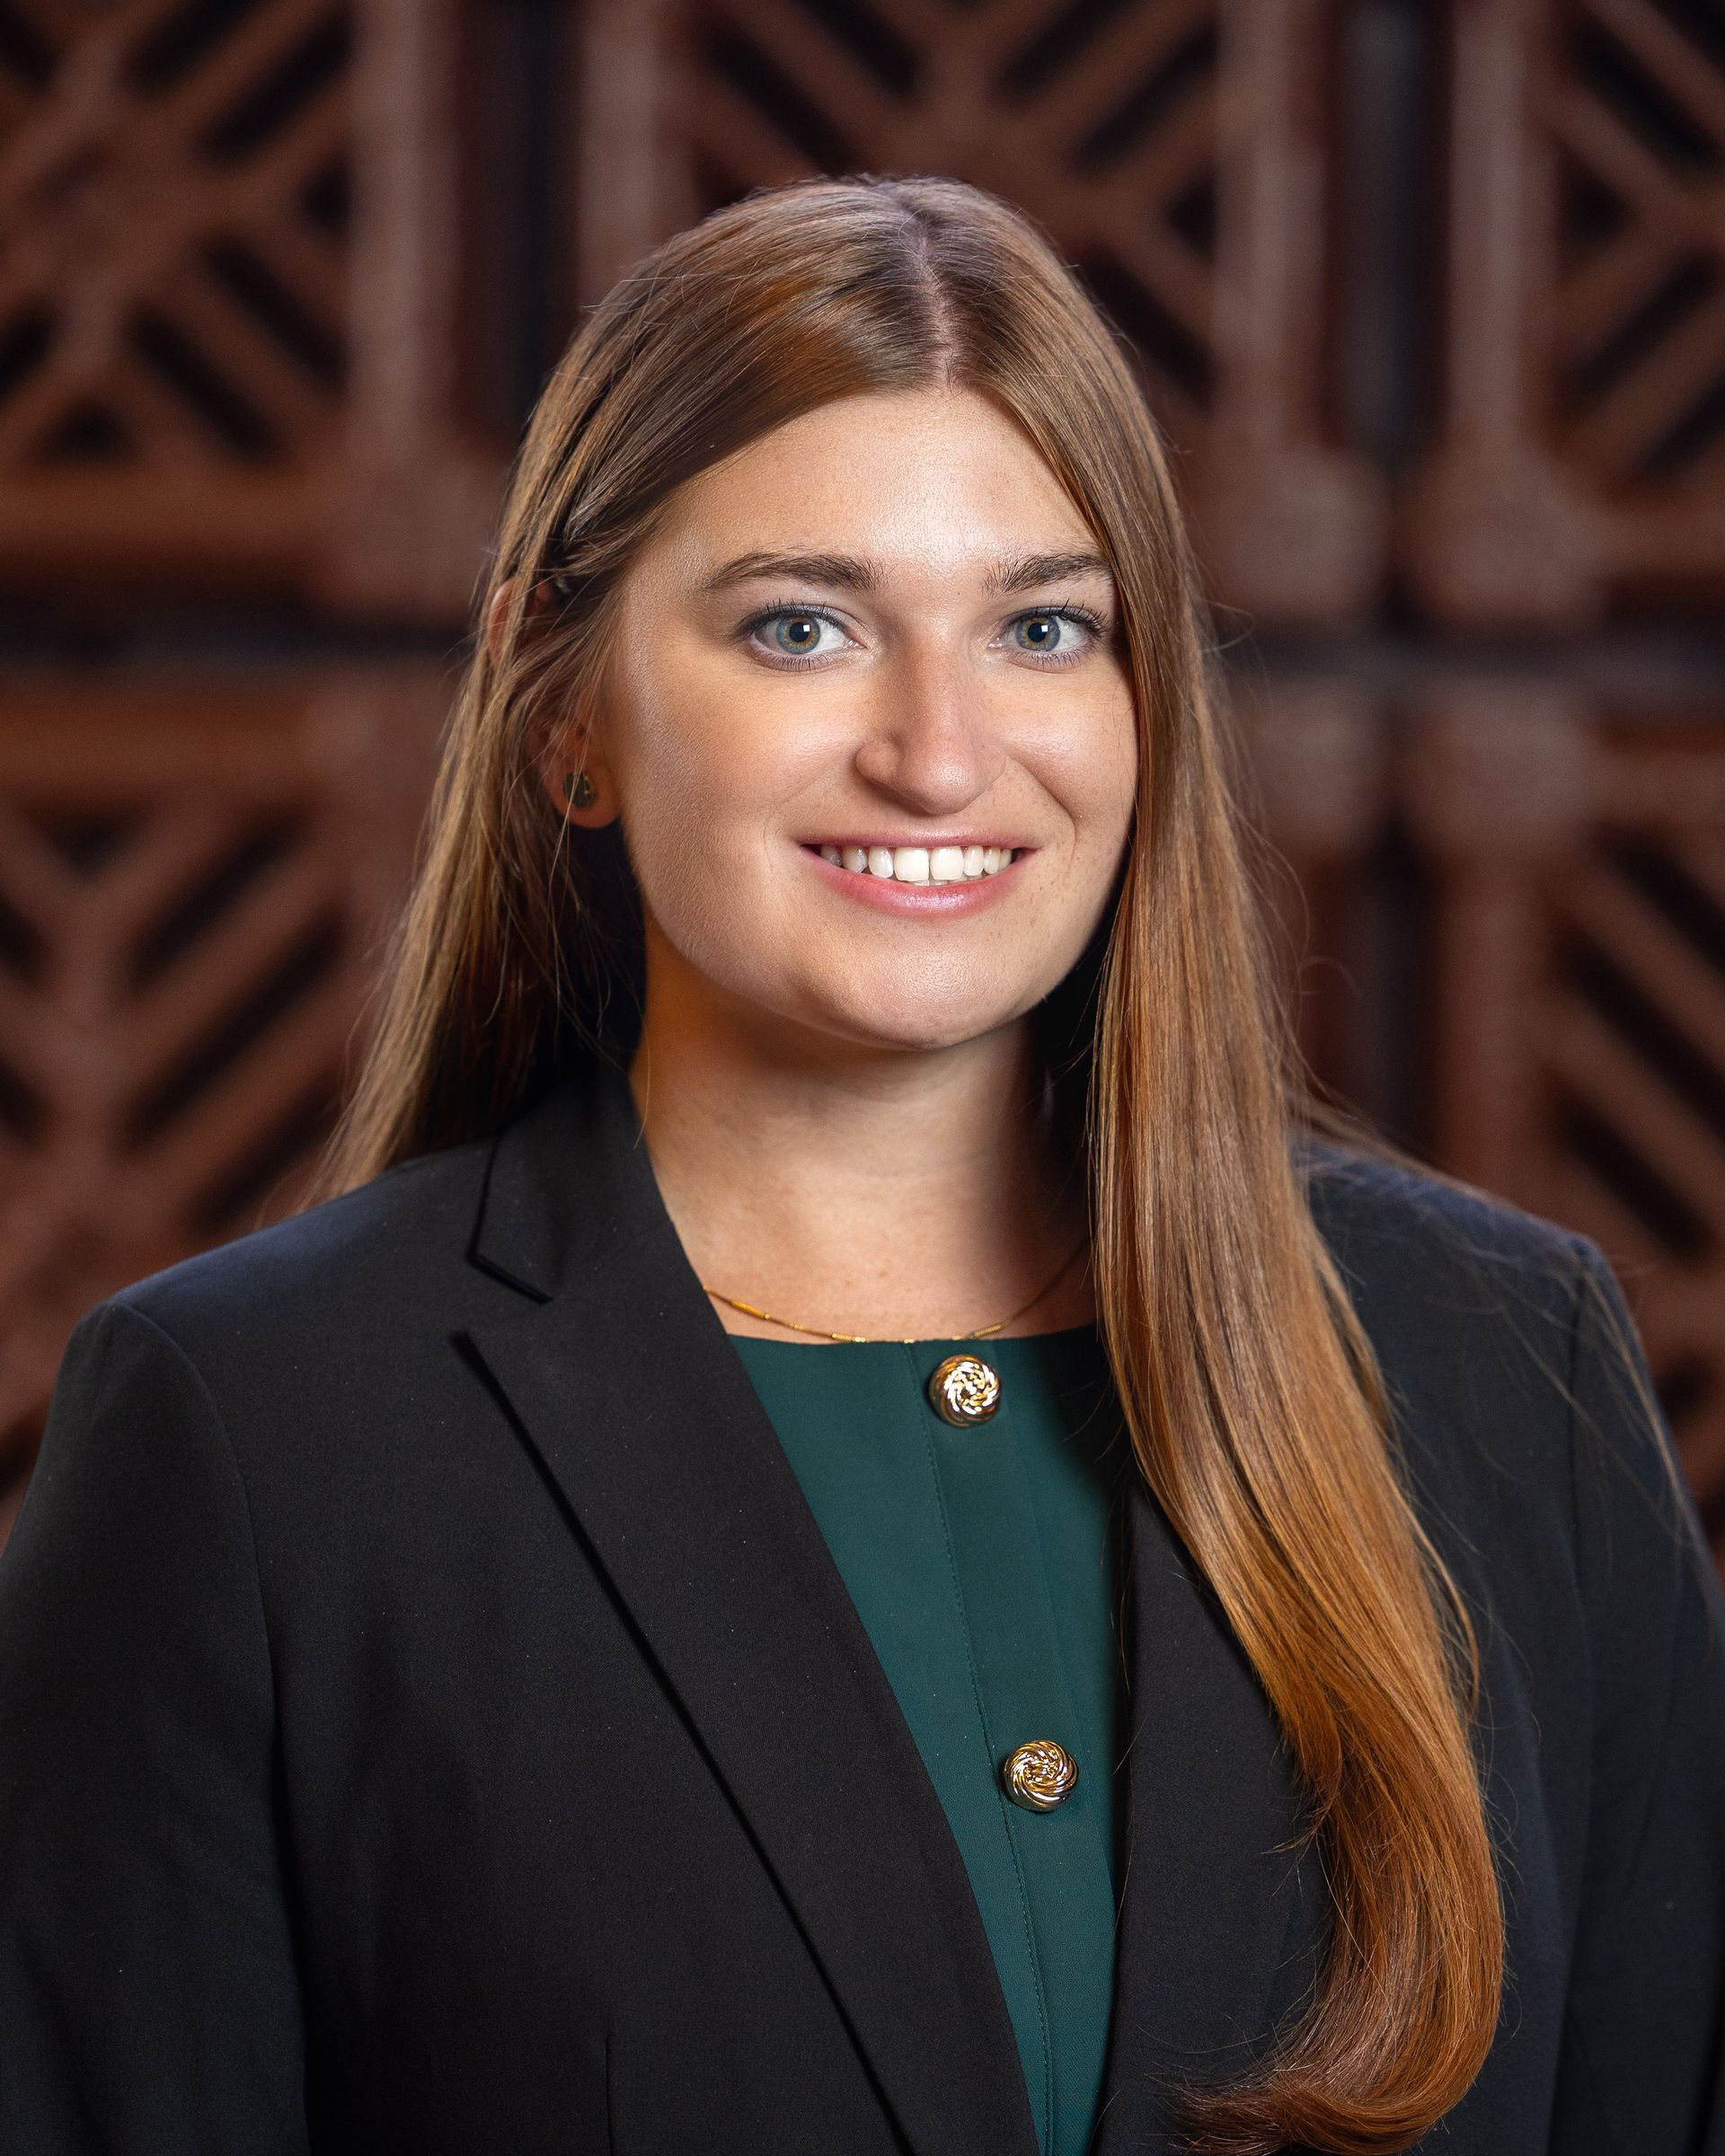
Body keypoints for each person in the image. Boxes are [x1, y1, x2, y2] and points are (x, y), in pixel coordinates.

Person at [2, 172, 1721, 2156]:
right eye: (803, 627)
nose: (938, 749)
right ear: (566, 711)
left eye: (1043, 628)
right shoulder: (258, 1440)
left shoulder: (1512, 1373)